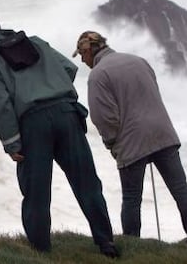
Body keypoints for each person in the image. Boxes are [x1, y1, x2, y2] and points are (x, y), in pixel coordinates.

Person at [0, 15, 118, 258]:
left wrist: (12, 143)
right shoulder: (36, 43)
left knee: (37, 193)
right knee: (87, 183)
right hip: (68, 114)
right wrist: (51, 89)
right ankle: (107, 244)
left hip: (33, 124)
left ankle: (41, 251)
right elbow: (69, 68)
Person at [73, 31, 187, 238]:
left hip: (131, 142)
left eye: (82, 54)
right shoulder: (138, 61)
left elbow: (103, 117)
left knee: (132, 198)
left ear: (89, 50)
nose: (82, 60)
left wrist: (111, 143)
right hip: (164, 133)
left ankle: (133, 244)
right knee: (182, 191)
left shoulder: (98, 75)